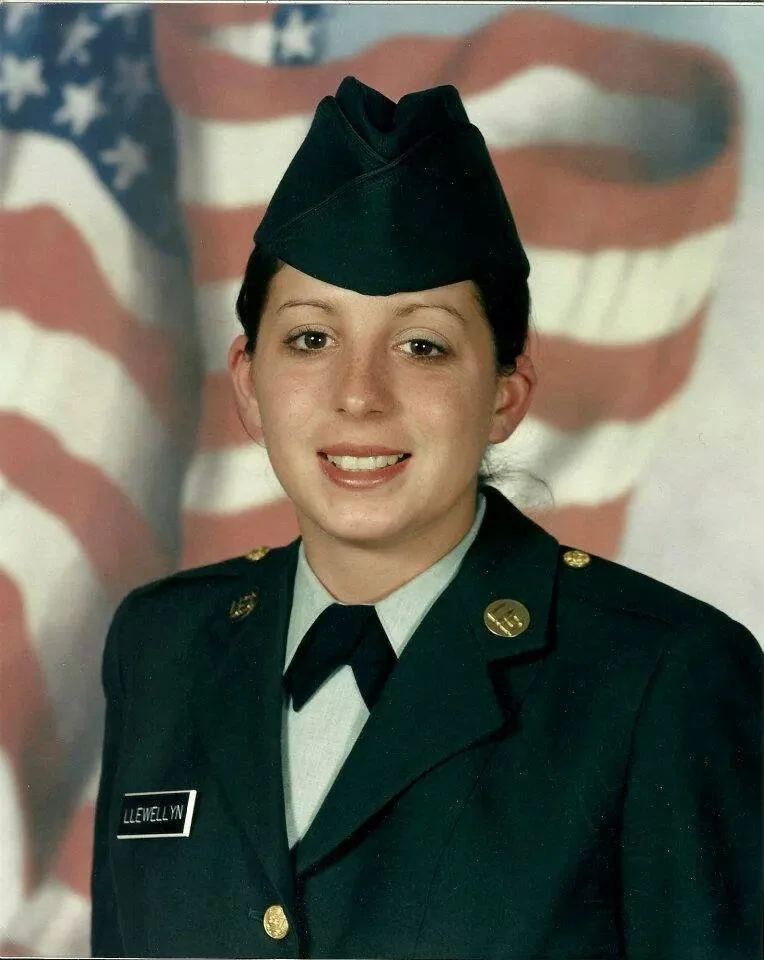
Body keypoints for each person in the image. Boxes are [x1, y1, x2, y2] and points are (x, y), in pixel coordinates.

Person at [91, 77, 762, 959]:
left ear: (505, 396)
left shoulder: (662, 678)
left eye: (422, 345)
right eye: (310, 338)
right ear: (250, 385)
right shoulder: (162, 646)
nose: (359, 397)